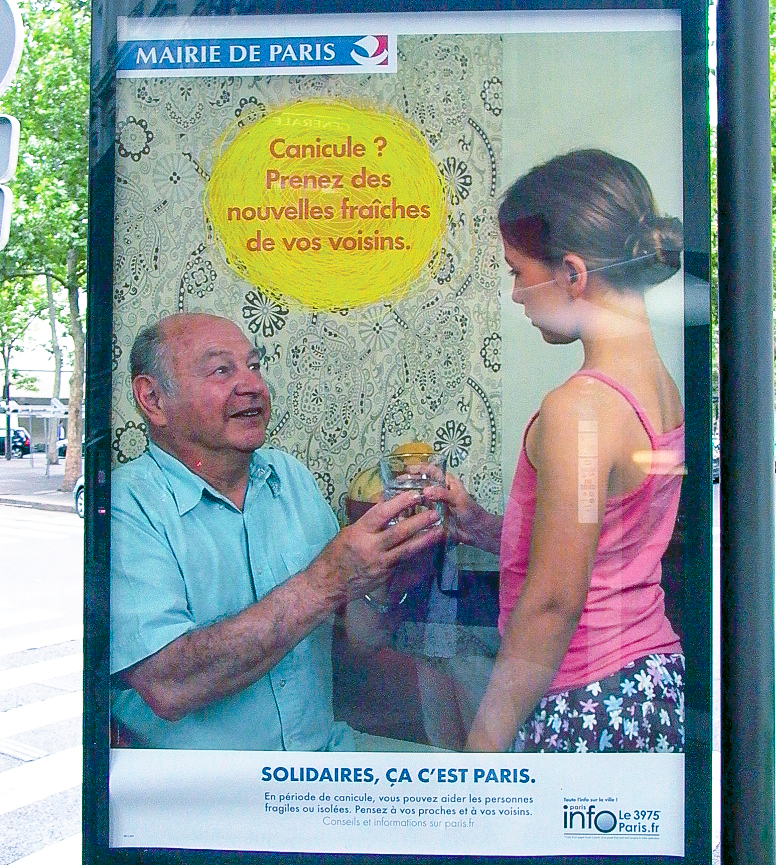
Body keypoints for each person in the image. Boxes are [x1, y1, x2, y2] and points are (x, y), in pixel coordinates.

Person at [426, 149, 686, 754]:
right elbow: (603, 541)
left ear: (572, 273)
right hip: (644, 680)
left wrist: (483, 746)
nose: (515, 294)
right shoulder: (657, 386)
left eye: (517, 271)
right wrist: (486, 528)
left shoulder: (581, 409)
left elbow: (553, 601)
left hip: (588, 696)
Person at [110, 312, 444, 750]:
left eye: (254, 365)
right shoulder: (126, 504)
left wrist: (387, 574)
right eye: (221, 370)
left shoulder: (291, 478)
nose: (252, 385)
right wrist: (328, 579)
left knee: (470, 798)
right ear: (152, 399)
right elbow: (169, 685)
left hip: (324, 757)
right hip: (209, 795)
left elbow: (357, 638)